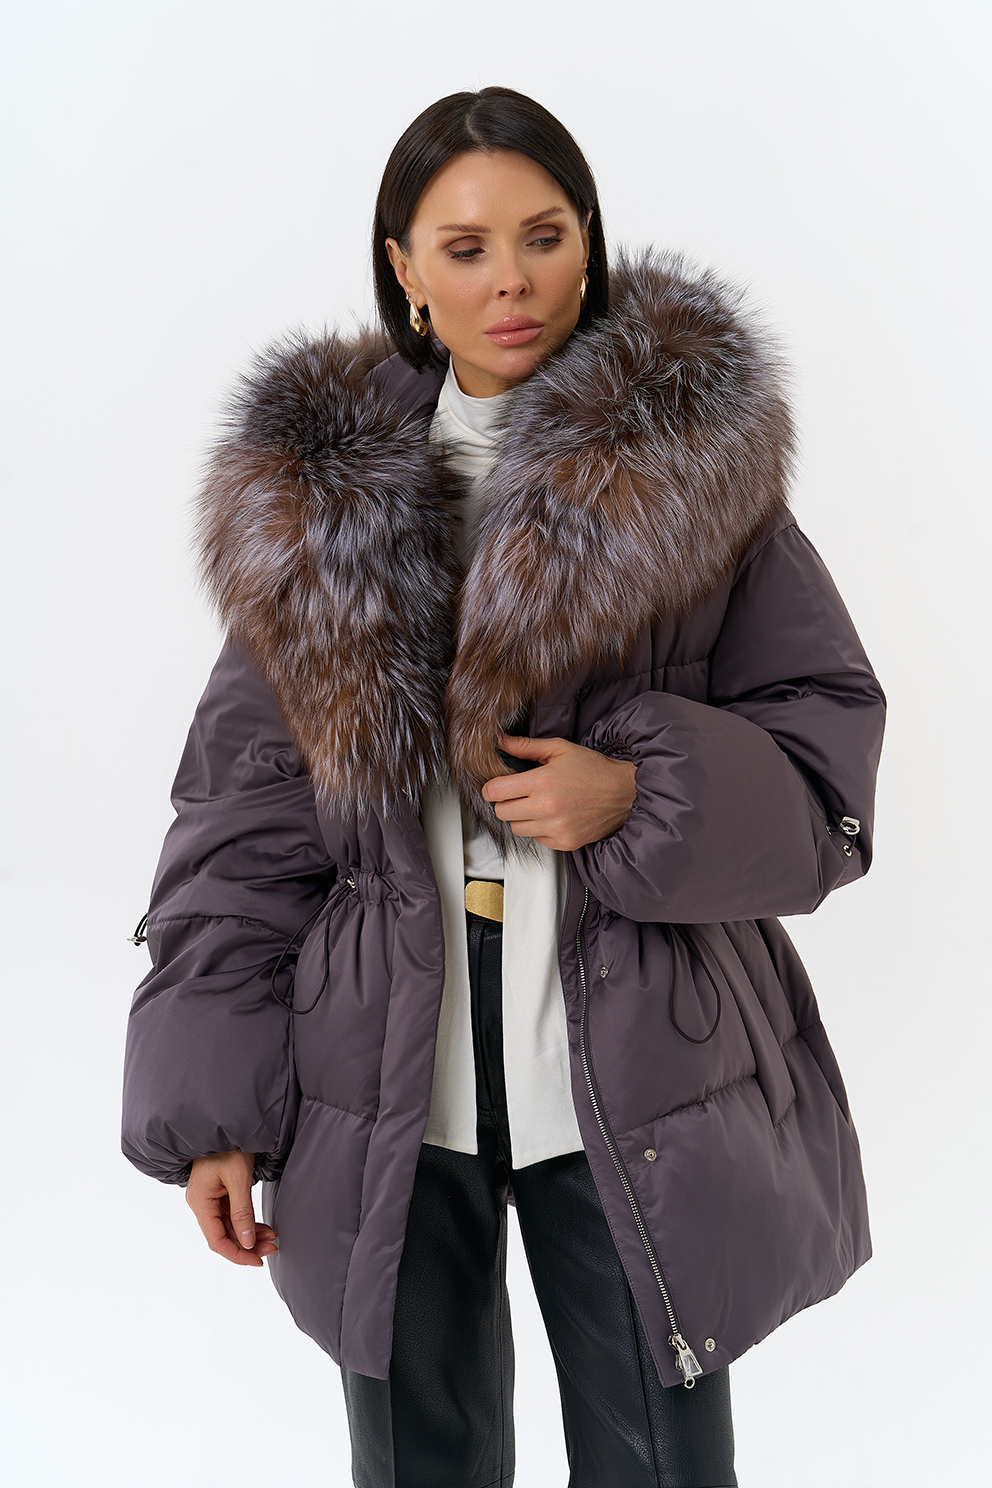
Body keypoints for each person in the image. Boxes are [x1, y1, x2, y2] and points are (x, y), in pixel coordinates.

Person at [121, 86, 885, 1488]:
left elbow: (826, 758)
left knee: (659, 1463)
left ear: (588, 242)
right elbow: (243, 819)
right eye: (465, 248)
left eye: (544, 236)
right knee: (420, 1464)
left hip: (634, 1064)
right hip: (384, 1076)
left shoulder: (692, 476)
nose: (512, 280)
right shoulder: (320, 508)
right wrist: (209, 1104)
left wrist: (640, 794)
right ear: (405, 270)